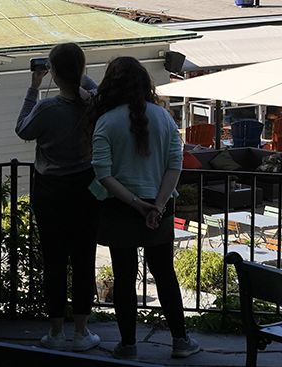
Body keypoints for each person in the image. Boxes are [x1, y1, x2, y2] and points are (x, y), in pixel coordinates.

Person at [87, 57, 201, 359]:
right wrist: (157, 206)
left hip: (119, 207)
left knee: (124, 276)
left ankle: (128, 344)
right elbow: (175, 164)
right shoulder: (163, 117)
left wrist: (136, 204)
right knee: (165, 274)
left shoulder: (106, 121)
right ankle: (180, 340)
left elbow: (103, 173)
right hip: (159, 206)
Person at [14, 42, 100, 352]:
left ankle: (55, 331)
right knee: (83, 257)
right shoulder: (92, 103)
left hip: (49, 190)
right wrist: (82, 78)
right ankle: (81, 331)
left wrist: (34, 87)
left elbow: (22, 130)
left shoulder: (47, 108)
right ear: (81, 69)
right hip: (84, 187)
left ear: (52, 71)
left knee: (53, 258)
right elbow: (94, 88)